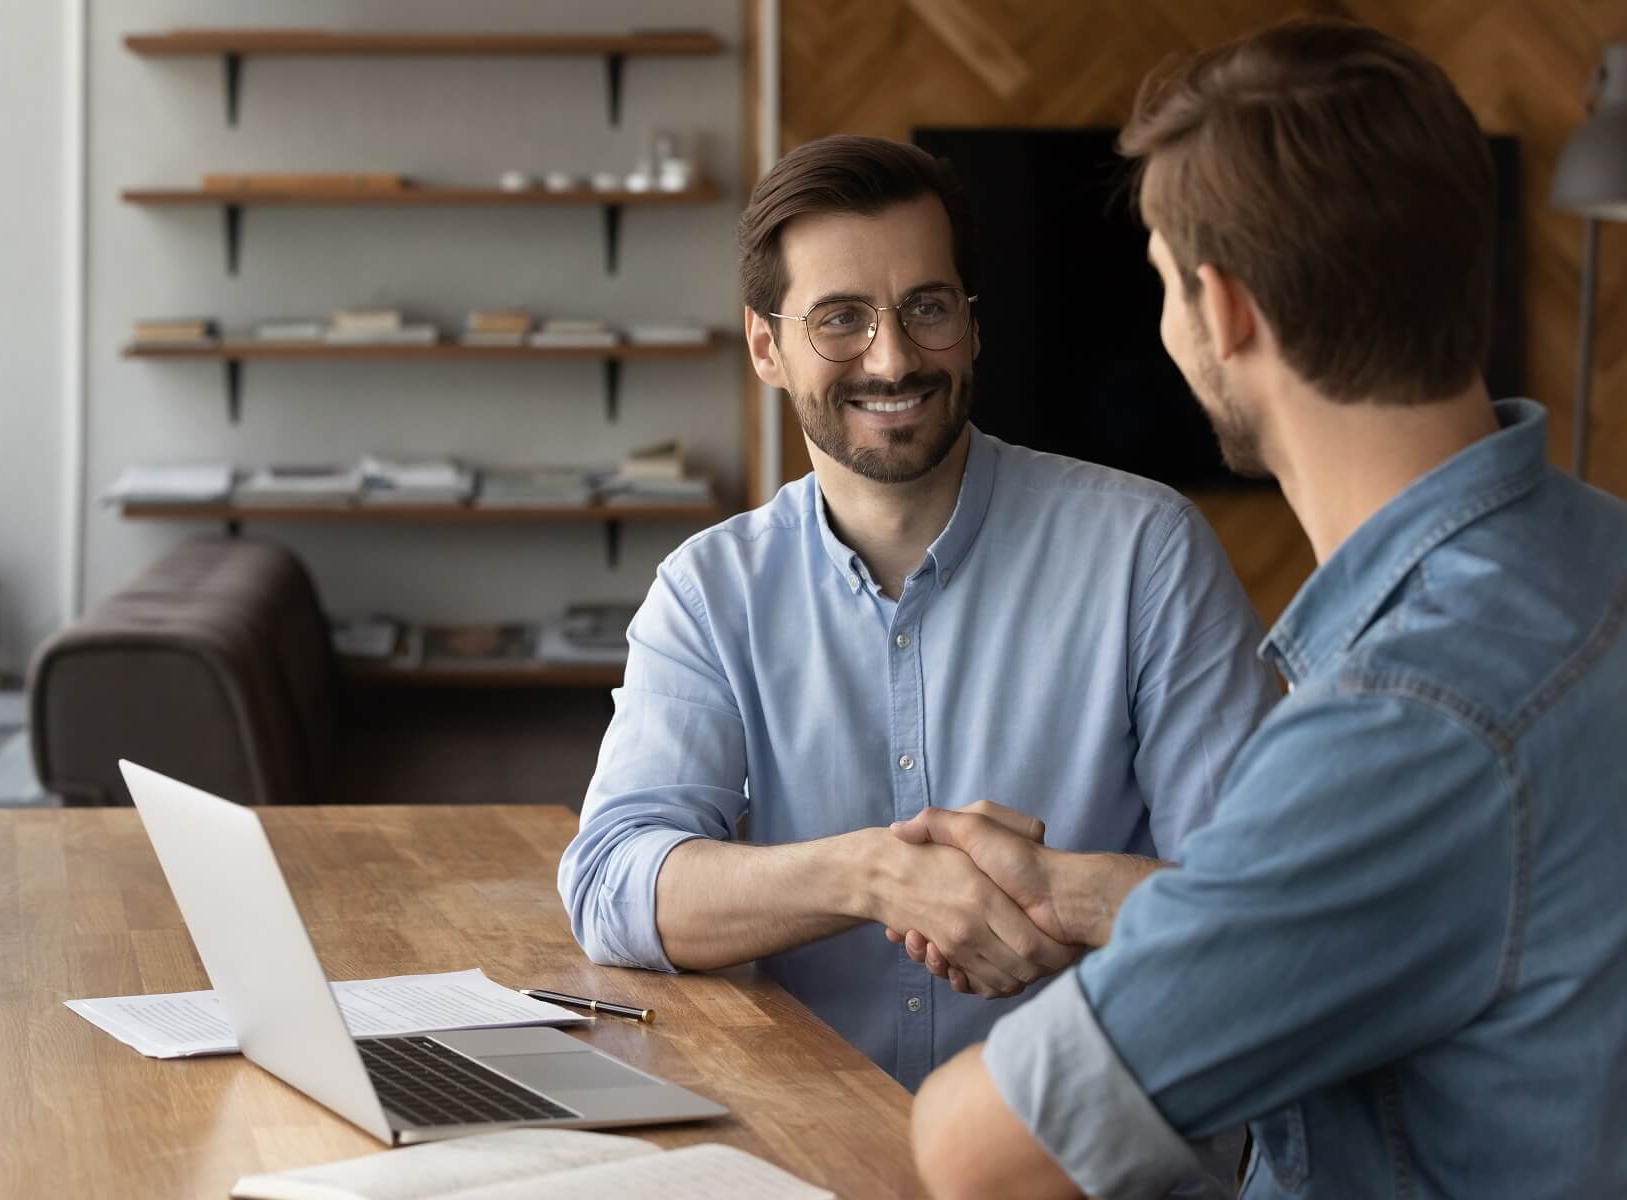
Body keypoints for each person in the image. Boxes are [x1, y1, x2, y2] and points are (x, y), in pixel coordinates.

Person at [906, 19, 1627, 1200]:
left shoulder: (1404, 721)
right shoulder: (1594, 563)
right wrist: (1071, 894)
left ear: (1226, 310)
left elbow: (985, 1149)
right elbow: (1397, 910)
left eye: (1160, 282)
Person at [556, 134, 1276, 1111]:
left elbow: (1251, 911)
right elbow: (612, 885)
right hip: (808, 1155)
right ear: (767, 345)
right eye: (840, 320)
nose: (893, 358)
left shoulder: (1147, 553)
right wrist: (871, 877)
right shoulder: (709, 590)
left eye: (926, 309)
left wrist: (1065, 895)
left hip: (1080, 1159)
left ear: (972, 327)